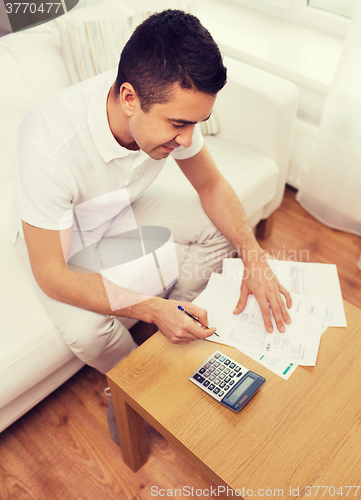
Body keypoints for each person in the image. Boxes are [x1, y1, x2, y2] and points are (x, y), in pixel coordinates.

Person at [13, 9, 291, 442]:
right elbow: (50, 273)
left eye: (195, 123)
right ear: (128, 99)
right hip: (59, 238)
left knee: (223, 232)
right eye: (179, 124)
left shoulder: (167, 107)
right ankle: (128, 384)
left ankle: (176, 335)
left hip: (119, 207)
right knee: (89, 330)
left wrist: (254, 258)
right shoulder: (48, 142)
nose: (187, 139)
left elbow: (212, 185)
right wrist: (151, 308)